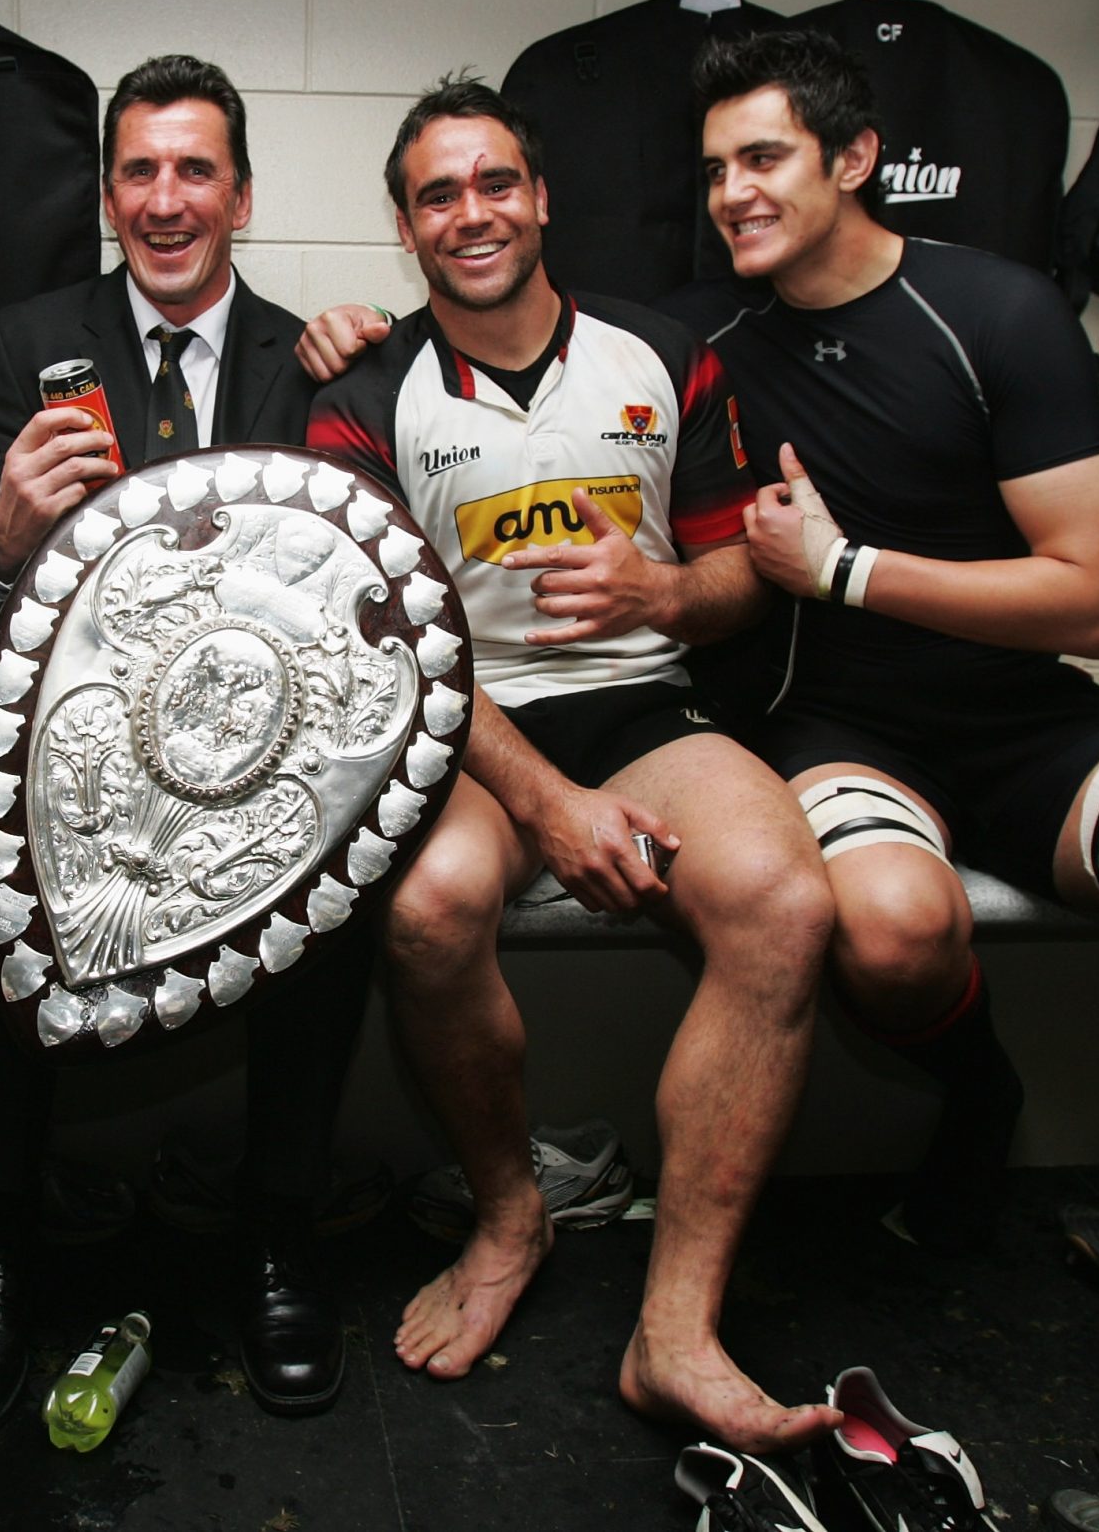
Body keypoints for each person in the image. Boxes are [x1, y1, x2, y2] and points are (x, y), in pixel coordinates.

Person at [664, 29, 1099, 1501]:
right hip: (836, 731)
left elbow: (1092, 593)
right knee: (895, 930)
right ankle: (978, 1102)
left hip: (1026, 720)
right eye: (717, 166)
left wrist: (843, 567)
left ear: (854, 159)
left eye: (765, 157)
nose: (733, 190)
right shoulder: (710, 350)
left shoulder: (1000, 308)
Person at [301, 75, 840, 1452]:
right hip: (462, 725)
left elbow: (737, 579)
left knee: (787, 903)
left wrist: (662, 595)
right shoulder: (366, 392)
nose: (471, 213)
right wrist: (547, 807)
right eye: (438, 194)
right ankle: (507, 1214)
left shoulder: (667, 353)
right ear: (405, 226)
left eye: (494, 184)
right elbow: (391, 651)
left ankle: (676, 1327)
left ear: (541, 197)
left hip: (643, 706)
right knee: (426, 909)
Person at [0, 55, 368, 1428]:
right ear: (106, 192)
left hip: (258, 744)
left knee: (338, 861)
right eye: (139, 171)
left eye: (195, 170)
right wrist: (0, 535)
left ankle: (277, 1233)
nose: (165, 200)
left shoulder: (316, 354)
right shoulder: (22, 337)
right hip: (73, 738)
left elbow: (367, 587)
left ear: (240, 193)